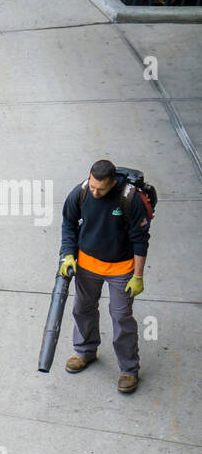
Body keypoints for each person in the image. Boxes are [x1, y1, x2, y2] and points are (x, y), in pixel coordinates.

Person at [59, 158, 150, 394]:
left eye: (100, 188)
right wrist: (68, 255)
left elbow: (141, 240)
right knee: (82, 309)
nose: (95, 192)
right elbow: (68, 223)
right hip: (88, 265)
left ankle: (129, 369)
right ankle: (85, 352)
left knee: (121, 318)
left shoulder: (130, 199)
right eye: (92, 186)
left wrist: (138, 276)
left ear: (112, 183)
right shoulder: (80, 192)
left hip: (121, 268)